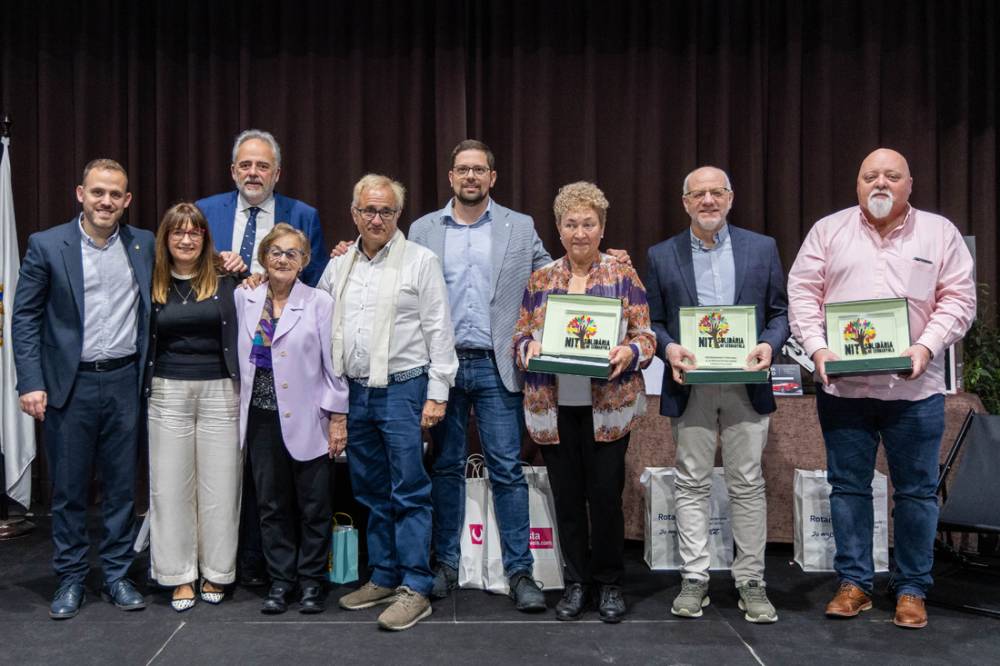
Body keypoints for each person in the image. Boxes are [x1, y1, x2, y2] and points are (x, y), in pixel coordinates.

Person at [787, 148, 976, 629]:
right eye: (870, 176)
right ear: (857, 185)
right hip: (845, 392)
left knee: (915, 493)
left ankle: (912, 588)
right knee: (847, 488)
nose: (880, 184)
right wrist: (817, 348)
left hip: (916, 392)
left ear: (909, 184)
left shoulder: (940, 233)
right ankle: (854, 583)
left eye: (892, 176)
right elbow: (803, 294)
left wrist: (927, 346)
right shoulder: (828, 232)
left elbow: (958, 298)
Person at [408, 139, 549, 610]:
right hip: (440, 367)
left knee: (507, 470)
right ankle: (445, 564)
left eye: (479, 170)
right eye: (462, 170)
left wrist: (601, 269)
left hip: (497, 365)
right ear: (450, 177)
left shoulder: (520, 226)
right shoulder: (423, 229)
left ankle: (520, 572)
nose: (470, 177)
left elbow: (550, 272)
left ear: (492, 177)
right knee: (444, 468)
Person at [645, 166, 789, 623]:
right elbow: (653, 319)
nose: (708, 201)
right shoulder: (661, 254)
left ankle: (751, 581)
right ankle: (695, 578)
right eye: (698, 194)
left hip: (747, 380)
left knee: (748, 483)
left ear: (730, 198)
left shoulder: (761, 248)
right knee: (691, 482)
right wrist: (668, 348)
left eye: (716, 193)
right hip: (691, 384)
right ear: (685, 202)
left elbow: (780, 313)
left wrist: (769, 343)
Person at [12, 159, 154, 619]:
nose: (106, 201)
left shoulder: (143, 245)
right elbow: (25, 318)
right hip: (66, 387)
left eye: (115, 194)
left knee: (120, 489)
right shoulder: (48, 245)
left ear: (126, 201)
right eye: (98, 192)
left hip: (123, 381)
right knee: (69, 490)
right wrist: (31, 381)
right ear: (80, 193)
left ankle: (115, 574)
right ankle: (70, 578)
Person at [319, 174, 458, 631]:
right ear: (353, 213)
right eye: (368, 210)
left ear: (399, 216)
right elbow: (322, 326)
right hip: (354, 391)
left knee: (410, 492)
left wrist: (438, 394)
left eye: (386, 211)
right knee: (370, 491)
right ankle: (382, 574)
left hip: (404, 389)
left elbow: (439, 330)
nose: (376, 219)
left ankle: (416, 586)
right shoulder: (339, 265)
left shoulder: (421, 260)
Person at [514, 181, 655, 623]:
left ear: (602, 227)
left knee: (606, 499)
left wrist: (628, 353)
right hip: (553, 409)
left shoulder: (621, 275)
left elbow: (646, 336)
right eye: (571, 223)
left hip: (608, 409)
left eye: (588, 223)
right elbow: (520, 334)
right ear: (558, 228)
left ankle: (610, 585)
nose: (580, 232)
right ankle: (576, 583)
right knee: (569, 500)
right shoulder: (541, 279)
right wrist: (527, 349)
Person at [197, 128, 326, 586]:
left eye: (263, 165)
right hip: (222, 361)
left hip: (293, 370)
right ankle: (244, 562)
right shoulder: (205, 212)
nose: (254, 173)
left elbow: (320, 284)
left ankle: (289, 573)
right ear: (233, 170)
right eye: (246, 165)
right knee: (239, 473)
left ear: (278, 172)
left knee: (293, 487)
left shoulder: (303, 215)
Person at [236, 223, 348, 615]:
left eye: (292, 253)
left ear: (304, 262)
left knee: (314, 506)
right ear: (264, 256)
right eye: (276, 252)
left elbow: (334, 367)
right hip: (261, 419)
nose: (283, 259)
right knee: (271, 505)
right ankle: (281, 581)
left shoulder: (320, 302)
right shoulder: (244, 297)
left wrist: (338, 416)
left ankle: (312, 582)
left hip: (309, 418)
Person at [145, 202, 244, 612]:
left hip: (221, 391)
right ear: (165, 239)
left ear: (205, 239)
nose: (186, 239)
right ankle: (178, 576)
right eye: (178, 232)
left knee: (221, 488)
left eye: (195, 232)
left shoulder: (227, 277)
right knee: (170, 490)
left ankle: (217, 573)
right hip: (168, 392)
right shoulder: (149, 279)